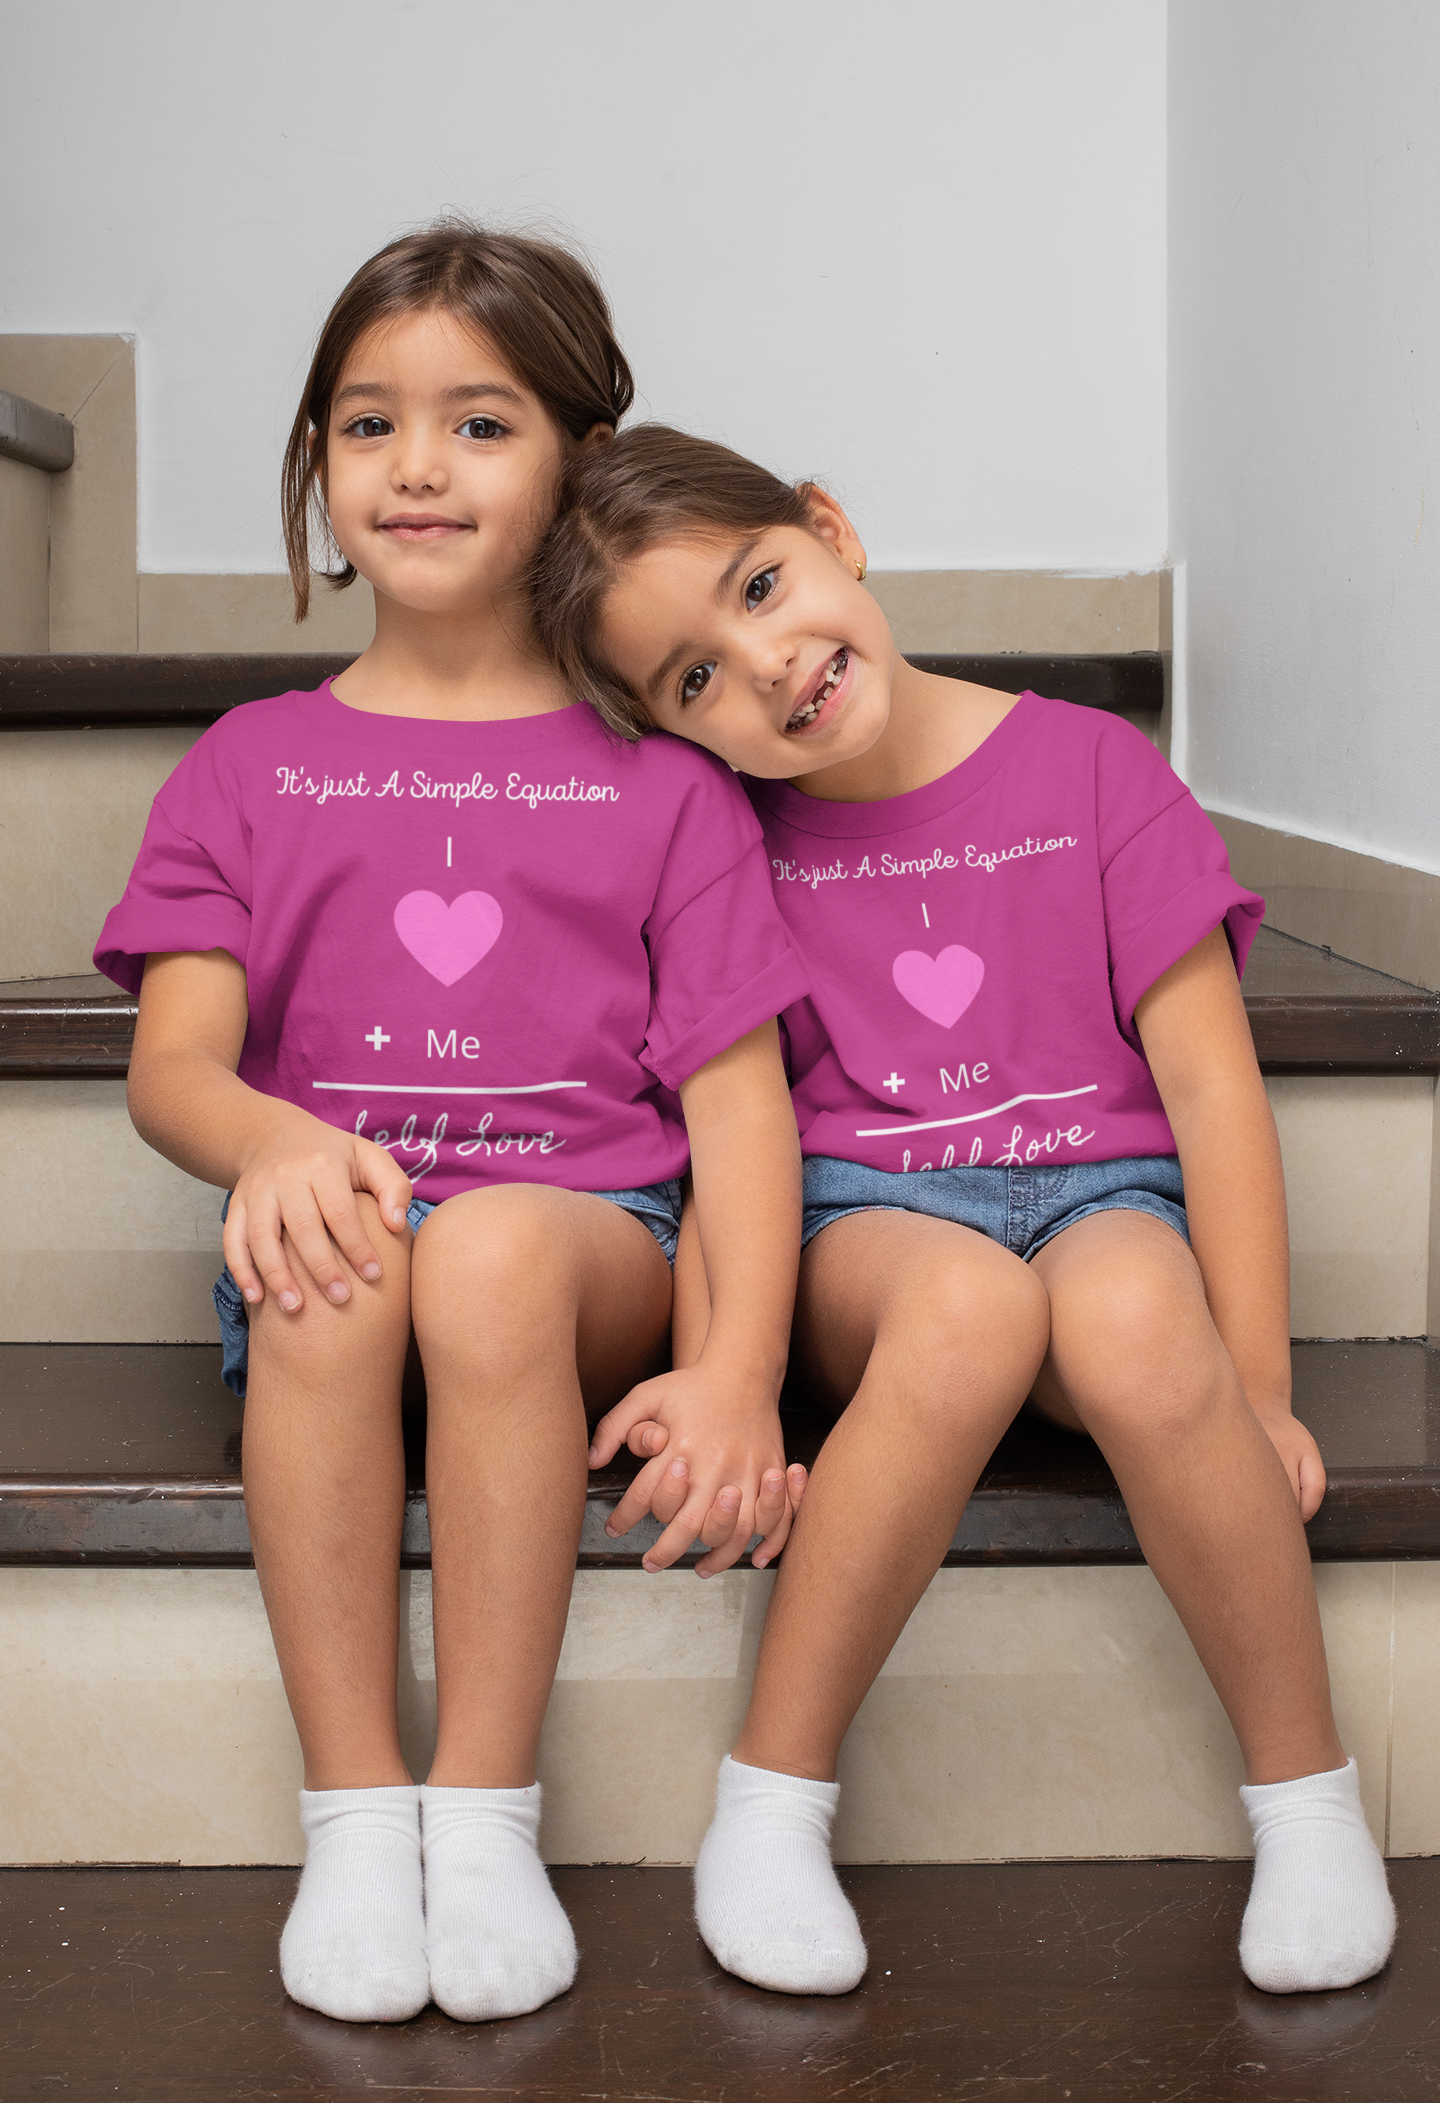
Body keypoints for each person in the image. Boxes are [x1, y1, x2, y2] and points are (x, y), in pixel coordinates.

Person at [530, 424, 1398, 2001]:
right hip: (862, 1215)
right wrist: (727, 1367)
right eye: (697, 678)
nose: (768, 663)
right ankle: (770, 1799)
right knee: (968, 1307)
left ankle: (1308, 1798)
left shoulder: (1094, 767)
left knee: (1138, 1316)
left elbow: (1212, 1094)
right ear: (669, 730)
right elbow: (731, 1134)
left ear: (830, 527)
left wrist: (1255, 1387)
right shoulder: (727, 842)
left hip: (1100, 1189)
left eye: (762, 586)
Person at [95, 236, 810, 2027]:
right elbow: (175, 1064)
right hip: (335, 1263)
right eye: (369, 424)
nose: (416, 466)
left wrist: (738, 1368)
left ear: (579, 460)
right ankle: (356, 1814)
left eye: (479, 422)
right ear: (318, 464)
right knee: (345, 1252)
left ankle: (484, 1815)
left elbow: (738, 1110)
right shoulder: (248, 762)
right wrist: (273, 1142)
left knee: (484, 1246)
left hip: (582, 1262)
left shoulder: (669, 783)